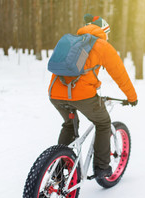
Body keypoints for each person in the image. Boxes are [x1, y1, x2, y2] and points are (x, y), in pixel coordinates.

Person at [48, 14, 138, 178]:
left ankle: (58, 169)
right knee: (103, 123)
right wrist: (132, 97)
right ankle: (102, 167)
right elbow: (120, 75)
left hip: (55, 93)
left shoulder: (71, 41)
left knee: (69, 124)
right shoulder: (102, 45)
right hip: (82, 96)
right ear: (103, 30)